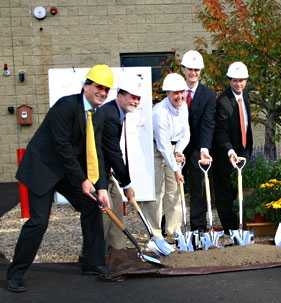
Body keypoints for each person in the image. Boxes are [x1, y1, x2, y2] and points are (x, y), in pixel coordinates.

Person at [6, 64, 114, 292]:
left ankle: (92, 262)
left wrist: (101, 186)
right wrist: (83, 180)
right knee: (39, 222)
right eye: (98, 87)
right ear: (86, 86)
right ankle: (15, 274)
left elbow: (97, 153)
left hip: (66, 170)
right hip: (42, 168)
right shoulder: (65, 106)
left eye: (106, 89)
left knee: (92, 205)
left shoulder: (99, 115)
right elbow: (62, 146)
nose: (102, 93)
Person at [141, 73, 190, 240]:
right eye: (175, 93)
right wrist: (176, 169)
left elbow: (186, 134)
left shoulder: (184, 106)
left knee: (174, 191)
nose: (179, 96)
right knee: (156, 193)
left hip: (174, 148)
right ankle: (155, 234)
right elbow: (162, 145)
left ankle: (174, 230)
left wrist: (179, 150)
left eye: (181, 92)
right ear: (167, 93)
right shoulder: (159, 113)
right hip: (156, 150)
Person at [99, 76, 142, 251]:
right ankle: (94, 255)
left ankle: (116, 251)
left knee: (117, 205)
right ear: (120, 95)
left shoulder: (116, 112)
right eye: (132, 96)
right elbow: (114, 153)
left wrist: (123, 183)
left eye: (138, 98)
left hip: (106, 171)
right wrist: (127, 184)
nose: (136, 101)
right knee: (104, 213)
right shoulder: (110, 115)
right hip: (96, 173)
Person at [212, 62, 253, 232]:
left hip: (243, 151)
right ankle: (230, 229)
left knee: (239, 190)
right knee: (225, 193)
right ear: (229, 80)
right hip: (225, 154)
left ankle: (240, 226)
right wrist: (230, 150)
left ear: (246, 81)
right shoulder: (223, 101)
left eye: (242, 80)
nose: (238, 84)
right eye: (235, 80)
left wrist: (246, 150)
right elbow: (220, 131)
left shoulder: (246, 97)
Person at [180, 50, 216, 232]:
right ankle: (170, 228)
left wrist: (204, 148)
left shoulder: (208, 95)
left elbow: (208, 123)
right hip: (177, 148)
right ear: (183, 70)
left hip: (196, 148)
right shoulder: (176, 90)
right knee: (172, 189)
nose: (193, 73)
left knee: (198, 190)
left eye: (196, 70)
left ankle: (198, 229)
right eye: (190, 69)